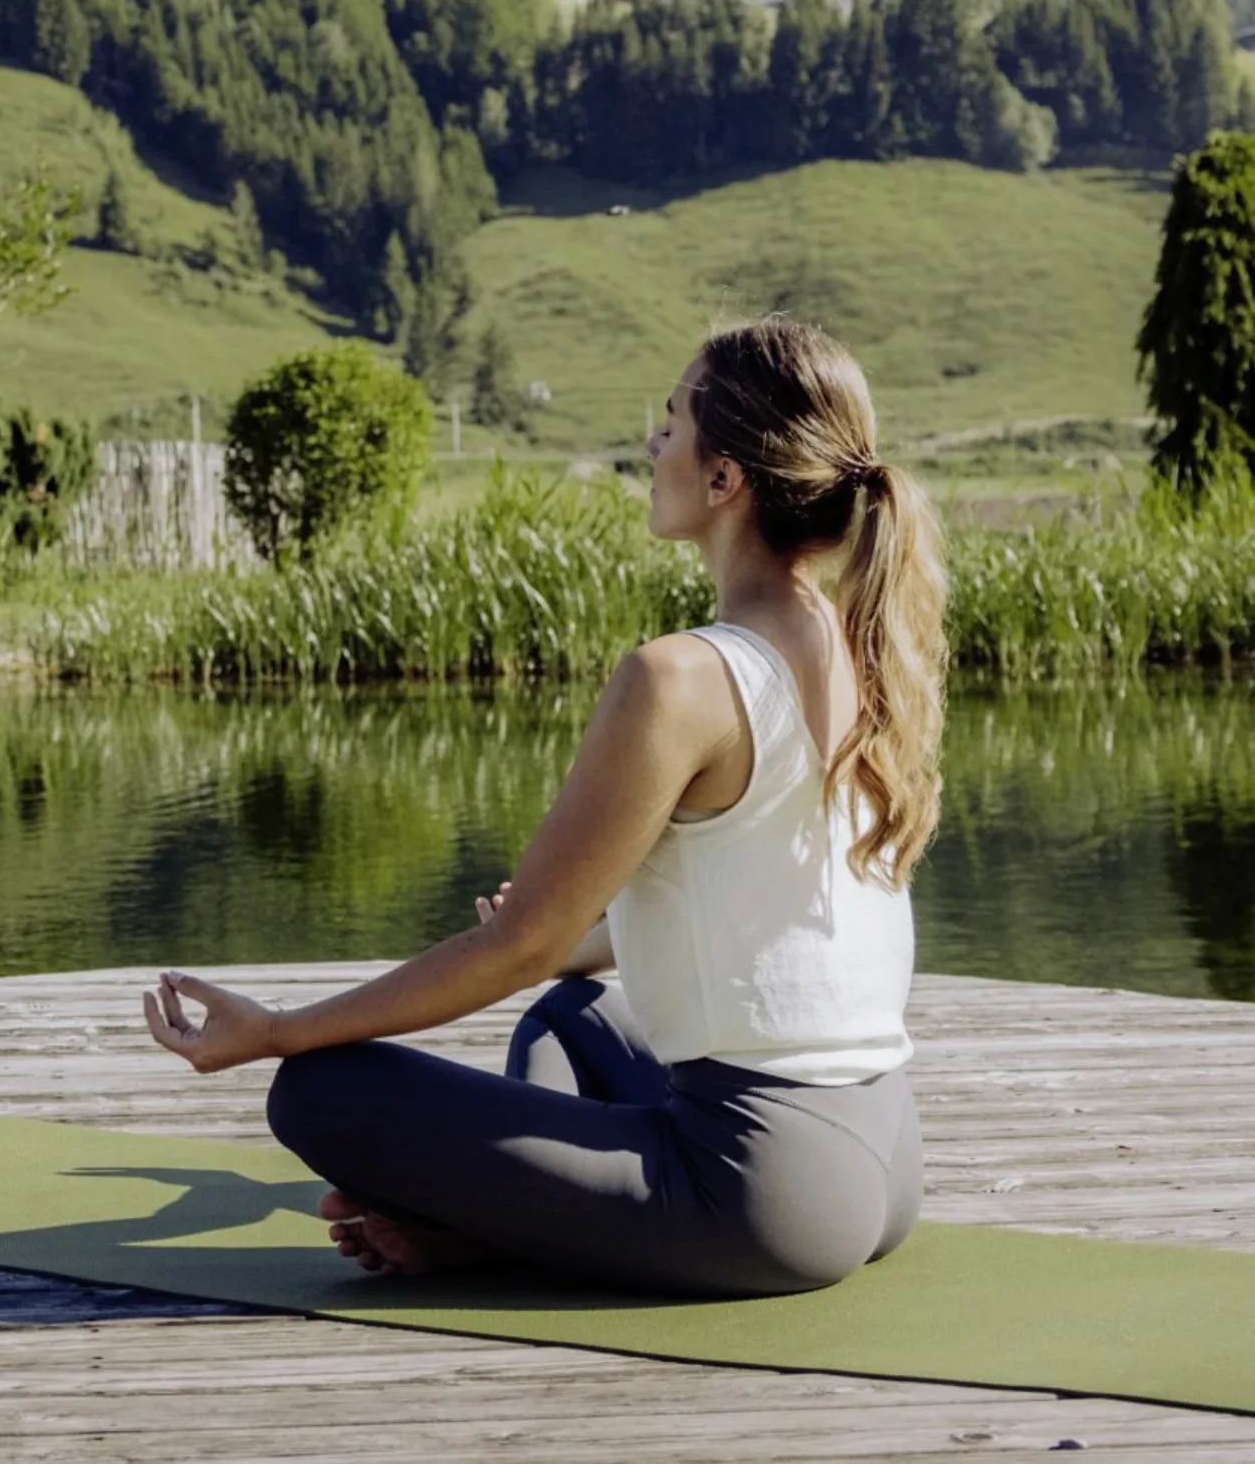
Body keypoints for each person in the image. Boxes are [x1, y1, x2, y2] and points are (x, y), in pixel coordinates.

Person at [142, 318, 948, 1298]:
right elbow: (768, 890)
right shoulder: (867, 642)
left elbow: (517, 945)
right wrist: (590, 941)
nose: (654, 448)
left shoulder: (681, 678)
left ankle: (494, 1232)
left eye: (670, 423)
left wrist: (273, 1029)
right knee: (570, 1021)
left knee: (320, 1091)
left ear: (726, 477)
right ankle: (501, 1230)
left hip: (760, 1194)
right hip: (883, 1149)